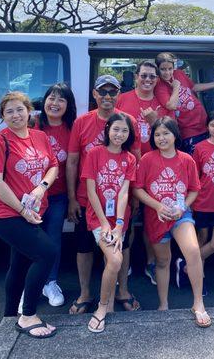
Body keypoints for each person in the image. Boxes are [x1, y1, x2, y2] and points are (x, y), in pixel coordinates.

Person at [0, 92, 59, 338]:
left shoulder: (40, 136)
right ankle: (28, 315)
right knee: (47, 253)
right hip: (7, 214)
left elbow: (53, 165)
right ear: (2, 116)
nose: (16, 115)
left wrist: (41, 187)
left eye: (20, 109)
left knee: (20, 262)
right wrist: (23, 210)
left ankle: (8, 318)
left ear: (29, 111)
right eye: (9, 112)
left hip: (35, 212)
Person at [67, 75, 141, 314]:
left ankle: (123, 290)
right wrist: (71, 198)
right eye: (103, 91)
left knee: (124, 246)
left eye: (113, 92)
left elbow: (136, 158)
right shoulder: (82, 122)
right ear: (94, 94)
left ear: (119, 94)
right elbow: (73, 161)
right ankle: (85, 293)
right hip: (87, 199)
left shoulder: (128, 120)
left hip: (120, 200)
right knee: (84, 247)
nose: (108, 96)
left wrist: (136, 196)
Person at [133, 117, 211, 327]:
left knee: (193, 251)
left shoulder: (186, 159)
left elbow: (195, 189)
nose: (161, 138)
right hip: (156, 216)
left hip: (180, 215)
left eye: (166, 133)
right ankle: (163, 303)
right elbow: (138, 189)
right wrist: (158, 206)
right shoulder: (147, 159)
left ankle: (198, 303)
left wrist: (183, 207)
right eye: (157, 134)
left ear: (175, 135)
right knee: (162, 261)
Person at [116, 60, 173, 285]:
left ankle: (151, 262)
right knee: (128, 214)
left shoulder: (162, 101)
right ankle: (124, 261)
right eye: (144, 76)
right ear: (136, 76)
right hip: (127, 165)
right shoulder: (123, 99)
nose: (148, 80)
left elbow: (171, 132)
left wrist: (154, 121)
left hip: (156, 166)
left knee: (152, 218)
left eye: (152, 77)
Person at [82, 113, 137, 333]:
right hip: (98, 218)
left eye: (124, 131)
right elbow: (91, 190)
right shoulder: (95, 153)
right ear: (107, 130)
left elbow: (124, 193)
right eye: (116, 129)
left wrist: (119, 224)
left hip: (118, 221)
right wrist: (105, 223)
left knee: (112, 261)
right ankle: (102, 307)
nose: (119, 134)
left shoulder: (130, 159)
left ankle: (110, 305)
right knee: (115, 260)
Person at [176, 110, 214, 291]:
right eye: (213, 125)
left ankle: (186, 263)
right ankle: (199, 278)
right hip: (203, 201)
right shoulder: (200, 148)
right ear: (207, 127)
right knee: (201, 238)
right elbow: (194, 178)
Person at [35, 83, 77, 307]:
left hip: (58, 195)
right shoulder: (33, 125)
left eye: (61, 99)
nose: (55, 103)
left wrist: (72, 198)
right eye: (52, 98)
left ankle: (50, 282)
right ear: (44, 101)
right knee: (30, 239)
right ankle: (30, 284)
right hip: (31, 196)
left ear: (68, 105)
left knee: (53, 240)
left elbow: (72, 164)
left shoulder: (72, 128)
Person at [154, 52, 214, 155]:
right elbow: (171, 105)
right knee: (195, 158)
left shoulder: (179, 74)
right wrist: (176, 87)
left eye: (170, 69)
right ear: (157, 69)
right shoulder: (160, 86)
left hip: (203, 123)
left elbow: (193, 87)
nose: (167, 73)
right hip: (189, 130)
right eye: (163, 69)